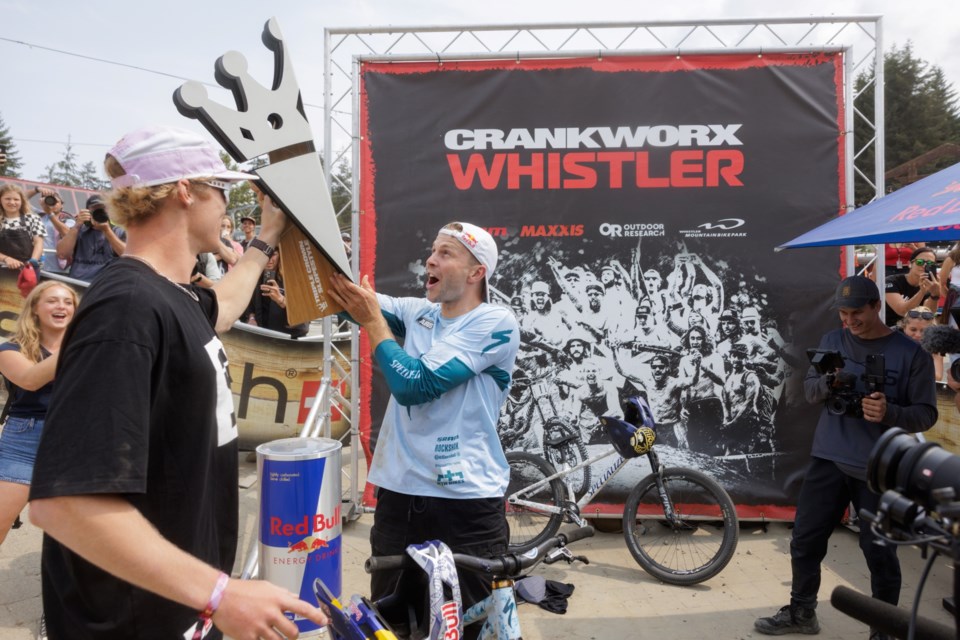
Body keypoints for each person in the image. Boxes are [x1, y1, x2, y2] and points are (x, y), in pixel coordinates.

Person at [27, 125, 327, 640]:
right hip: (132, 620)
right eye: (222, 189)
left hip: (177, 605)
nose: (227, 204)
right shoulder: (125, 308)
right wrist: (220, 593)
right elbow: (64, 504)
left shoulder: (174, 295)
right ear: (187, 190)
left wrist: (266, 238)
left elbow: (225, 306)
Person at [327, 221, 520, 640]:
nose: (431, 259)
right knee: (390, 627)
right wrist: (283, 228)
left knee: (469, 627)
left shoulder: (496, 321)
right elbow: (339, 295)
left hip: (466, 503)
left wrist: (373, 322)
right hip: (399, 497)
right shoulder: (419, 313)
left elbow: (415, 386)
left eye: (447, 253)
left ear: (476, 272)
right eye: (433, 250)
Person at [754, 276, 937, 639]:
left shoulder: (911, 354)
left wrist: (889, 413)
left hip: (879, 468)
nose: (849, 320)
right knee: (805, 540)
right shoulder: (832, 341)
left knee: (880, 552)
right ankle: (802, 611)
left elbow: (926, 414)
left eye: (857, 313)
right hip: (828, 458)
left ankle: (884, 629)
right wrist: (830, 384)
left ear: (876, 307)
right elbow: (809, 391)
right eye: (843, 312)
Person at [0, 282, 78, 546]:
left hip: (77, 439)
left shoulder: (90, 348)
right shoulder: (10, 349)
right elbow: (30, 380)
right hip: (25, 441)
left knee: (77, 534)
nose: (62, 307)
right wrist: (82, 343)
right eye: (53, 301)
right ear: (35, 308)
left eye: (68, 302)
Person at [56, 194, 127, 281]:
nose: (99, 212)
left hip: (103, 285)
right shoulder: (78, 230)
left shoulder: (118, 232)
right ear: (87, 211)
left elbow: (127, 256)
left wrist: (107, 231)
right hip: (77, 282)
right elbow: (62, 254)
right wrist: (77, 226)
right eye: (95, 209)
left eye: (102, 209)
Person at [252, 249, 309, 338]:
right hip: (263, 335)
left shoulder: (293, 277)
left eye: (273, 254)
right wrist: (252, 318)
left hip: (289, 338)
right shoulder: (256, 276)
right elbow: (251, 305)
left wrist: (281, 300)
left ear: (280, 255)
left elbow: (304, 316)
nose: (269, 260)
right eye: (266, 254)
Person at [884, 246, 941, 327]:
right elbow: (902, 311)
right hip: (890, 328)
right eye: (920, 262)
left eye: (930, 264)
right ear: (909, 264)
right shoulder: (892, 281)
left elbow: (928, 313)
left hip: (915, 330)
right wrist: (921, 292)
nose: (924, 266)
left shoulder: (931, 285)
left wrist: (935, 295)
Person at [0, 183, 45, 271]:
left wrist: (32, 261)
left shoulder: (33, 219)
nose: (12, 202)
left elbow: (38, 243)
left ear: (22, 201)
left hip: (28, 269)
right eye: (7, 199)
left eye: (16, 199)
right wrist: (6, 259)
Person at [898, 306, 943, 380]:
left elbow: (938, 377)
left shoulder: (935, 349)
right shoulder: (896, 345)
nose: (918, 335)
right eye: (913, 329)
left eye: (923, 331)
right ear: (904, 328)